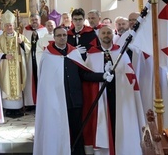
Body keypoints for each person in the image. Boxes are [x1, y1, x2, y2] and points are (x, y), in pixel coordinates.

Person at [33, 27, 110, 155]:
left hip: (74, 100)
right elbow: (45, 84)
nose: (62, 37)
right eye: (59, 35)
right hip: (56, 101)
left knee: (77, 130)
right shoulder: (48, 56)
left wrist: (103, 76)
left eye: (64, 35)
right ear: (54, 37)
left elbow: (84, 74)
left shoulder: (73, 53)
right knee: (58, 129)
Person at [83, 25, 145, 155]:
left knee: (120, 123)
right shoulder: (92, 54)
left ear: (113, 35)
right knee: (104, 124)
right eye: (103, 33)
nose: (106, 35)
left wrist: (118, 75)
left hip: (120, 96)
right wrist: (102, 76)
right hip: (101, 96)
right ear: (99, 36)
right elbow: (86, 75)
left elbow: (129, 74)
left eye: (109, 33)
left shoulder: (120, 52)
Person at [0, 10, 30, 118]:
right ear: (4, 26)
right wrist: (4, 56)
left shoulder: (20, 36)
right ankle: (8, 109)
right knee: (6, 84)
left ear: (14, 25)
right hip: (5, 66)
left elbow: (28, 48)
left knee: (18, 85)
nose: (9, 27)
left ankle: (18, 108)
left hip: (18, 66)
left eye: (11, 25)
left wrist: (21, 43)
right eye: (7, 25)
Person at [22, 13, 47, 108]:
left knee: (40, 77)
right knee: (30, 79)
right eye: (32, 20)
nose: (34, 22)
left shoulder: (43, 30)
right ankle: (31, 103)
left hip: (40, 58)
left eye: (36, 19)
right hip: (29, 58)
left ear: (39, 20)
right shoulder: (26, 30)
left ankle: (41, 102)